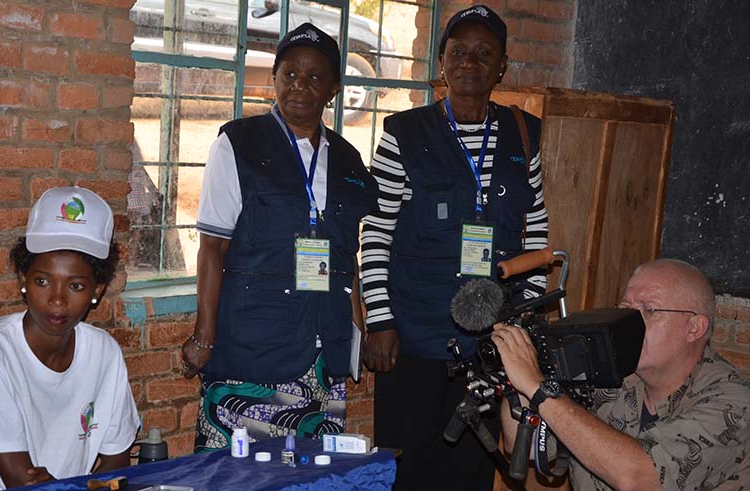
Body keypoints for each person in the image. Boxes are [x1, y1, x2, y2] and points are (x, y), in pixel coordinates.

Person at [359, 4, 549, 489]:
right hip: (415, 337)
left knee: (471, 468)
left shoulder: (523, 134)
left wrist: (528, 322)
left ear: (501, 66)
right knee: (406, 464)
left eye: (483, 53)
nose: (469, 62)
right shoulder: (404, 134)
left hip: (492, 343)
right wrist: (379, 321)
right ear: (440, 61)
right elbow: (376, 231)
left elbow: (536, 232)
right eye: (458, 52)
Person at [186, 22, 378, 452]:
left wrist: (357, 324)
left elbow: (348, 253)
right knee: (238, 476)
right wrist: (204, 335)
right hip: (253, 348)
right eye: (289, 74)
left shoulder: (347, 158)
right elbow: (212, 246)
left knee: (311, 476)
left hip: (320, 353)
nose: (300, 86)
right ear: (273, 78)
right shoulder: (237, 143)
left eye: (315, 77)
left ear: (334, 88)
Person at [0, 187, 140, 490]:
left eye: (76, 286)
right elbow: (23, 483)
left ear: (97, 291)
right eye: (43, 281)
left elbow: (116, 463)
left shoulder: (103, 352)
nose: (56, 300)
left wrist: (70, 486)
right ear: (22, 279)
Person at [494, 259, 750, 490]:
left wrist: (538, 387)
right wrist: (519, 372)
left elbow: (637, 478)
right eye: (626, 307)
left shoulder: (734, 402)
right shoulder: (612, 375)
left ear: (694, 328)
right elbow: (524, 446)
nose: (630, 322)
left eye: (649, 310)